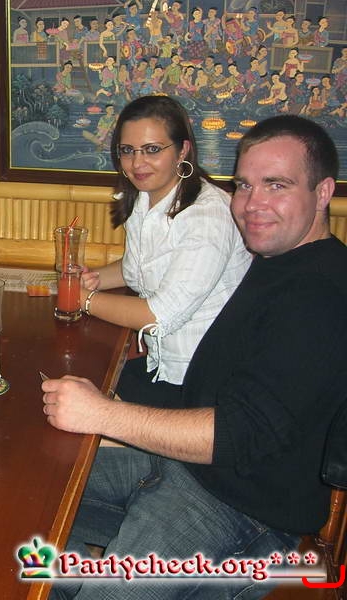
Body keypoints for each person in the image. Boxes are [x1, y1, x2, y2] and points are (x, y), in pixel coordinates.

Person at [44, 115, 347, 599]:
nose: (252, 204)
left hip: (247, 509)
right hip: (184, 466)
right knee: (23, 500)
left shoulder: (322, 297)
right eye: (244, 185)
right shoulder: (279, 260)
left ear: (323, 191)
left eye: (277, 185)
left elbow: (238, 435)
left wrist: (101, 414)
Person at [79, 96, 251, 411]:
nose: (137, 163)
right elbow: (136, 268)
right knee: (78, 374)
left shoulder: (207, 215)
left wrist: (83, 300)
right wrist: (88, 278)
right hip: (163, 366)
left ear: (182, 150)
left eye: (152, 150)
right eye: (127, 151)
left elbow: (160, 317)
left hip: (206, 382)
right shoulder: (146, 198)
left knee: (80, 398)